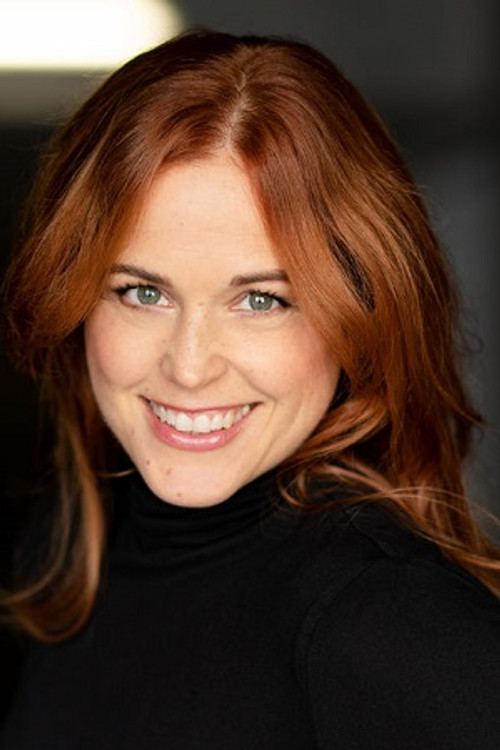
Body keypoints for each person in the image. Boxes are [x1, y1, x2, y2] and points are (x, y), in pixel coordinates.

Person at [1, 29, 499, 749]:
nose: (189, 367)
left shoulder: (388, 623)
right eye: (143, 292)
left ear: (363, 316)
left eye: (261, 300)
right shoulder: (72, 553)